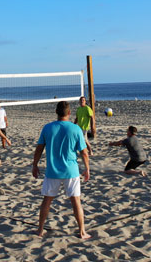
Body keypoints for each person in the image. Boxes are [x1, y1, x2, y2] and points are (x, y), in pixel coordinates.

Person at [32, 101, 91, 239]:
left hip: (53, 171)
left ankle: (40, 230)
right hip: (71, 171)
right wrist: (87, 169)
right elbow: (84, 152)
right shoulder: (75, 129)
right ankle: (82, 232)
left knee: (47, 200)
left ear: (56, 112)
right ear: (69, 113)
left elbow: (39, 149)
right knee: (76, 201)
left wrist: (35, 165)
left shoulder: (48, 128)